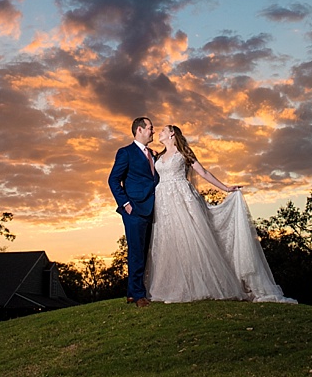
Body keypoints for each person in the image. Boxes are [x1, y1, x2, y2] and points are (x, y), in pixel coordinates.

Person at [145, 124, 295, 304]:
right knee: (168, 241)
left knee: (190, 240)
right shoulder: (158, 156)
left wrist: (226, 188)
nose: (159, 133)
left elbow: (204, 172)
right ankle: (170, 288)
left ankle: (196, 287)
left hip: (181, 198)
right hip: (163, 201)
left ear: (171, 134)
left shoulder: (184, 154)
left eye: (163, 130)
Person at [107, 116, 159, 308]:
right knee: (136, 252)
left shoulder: (152, 154)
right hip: (134, 210)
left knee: (143, 252)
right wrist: (126, 203)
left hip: (151, 208)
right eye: (150, 128)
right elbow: (113, 180)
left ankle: (131, 292)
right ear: (139, 130)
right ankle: (139, 296)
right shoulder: (126, 153)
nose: (153, 132)